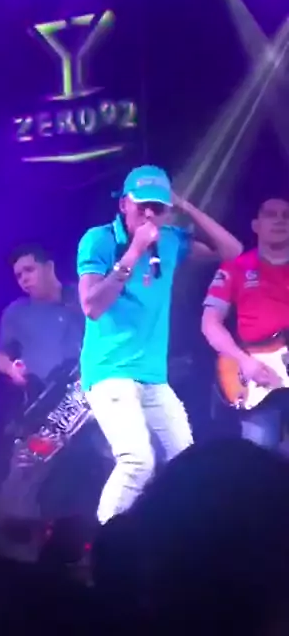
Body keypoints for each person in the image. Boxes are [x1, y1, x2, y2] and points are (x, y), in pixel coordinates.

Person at [77, 164, 243, 524]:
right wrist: (134, 252)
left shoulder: (170, 240)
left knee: (187, 459)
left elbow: (233, 250)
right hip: (109, 371)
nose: (150, 215)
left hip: (152, 375)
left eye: (158, 207)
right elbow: (91, 306)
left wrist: (186, 207)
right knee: (137, 460)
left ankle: (178, 535)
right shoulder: (100, 240)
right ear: (124, 204)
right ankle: (104, 541)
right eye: (143, 206)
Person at [0, 243, 100, 522]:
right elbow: (1, 356)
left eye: (29, 270)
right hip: (46, 408)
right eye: (18, 276)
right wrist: (13, 370)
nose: (24, 279)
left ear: (49, 267)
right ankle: (18, 536)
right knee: (22, 480)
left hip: (92, 401)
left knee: (106, 467)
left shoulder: (82, 296)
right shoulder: (16, 312)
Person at [202, 197, 289, 449]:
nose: (280, 221)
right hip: (255, 379)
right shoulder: (235, 267)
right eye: (271, 214)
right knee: (259, 457)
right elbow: (210, 324)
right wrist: (244, 361)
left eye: (286, 216)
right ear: (256, 225)